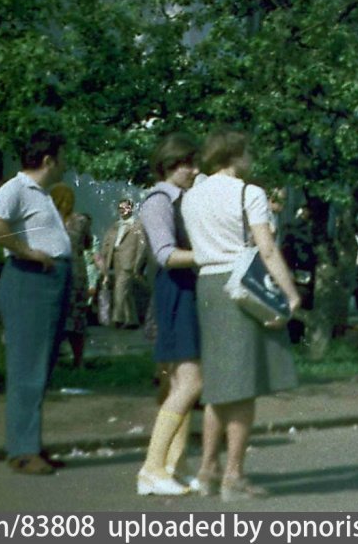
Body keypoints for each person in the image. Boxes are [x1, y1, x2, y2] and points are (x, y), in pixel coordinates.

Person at [181, 129, 302, 501]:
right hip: (241, 284)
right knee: (244, 385)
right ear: (236, 155)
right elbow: (266, 248)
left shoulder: (192, 196)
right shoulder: (249, 193)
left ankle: (206, 471)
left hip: (206, 285)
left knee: (219, 383)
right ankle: (233, 474)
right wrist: (291, 294)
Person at [0, 131, 73, 476]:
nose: (66, 164)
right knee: (27, 368)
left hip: (49, 282)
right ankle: (22, 450)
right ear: (48, 160)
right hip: (29, 282)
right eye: (62, 157)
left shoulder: (43, 194)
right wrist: (26, 251)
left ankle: (30, 443)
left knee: (40, 366)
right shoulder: (16, 187)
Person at [135, 132, 204, 497]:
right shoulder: (158, 201)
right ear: (169, 165)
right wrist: (212, 253)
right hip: (174, 290)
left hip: (186, 290)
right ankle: (152, 468)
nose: (194, 170)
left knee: (183, 385)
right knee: (190, 383)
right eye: (187, 164)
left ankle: (173, 466)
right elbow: (165, 254)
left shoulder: (182, 199)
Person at [48, 184, 93, 370]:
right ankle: (79, 360)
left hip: (54, 271)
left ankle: (53, 359)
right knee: (77, 319)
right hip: (77, 272)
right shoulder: (81, 220)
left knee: (54, 316)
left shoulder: (48, 221)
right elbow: (88, 244)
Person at [104, 197, 153, 329]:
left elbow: (142, 247)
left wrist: (138, 264)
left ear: (131, 208)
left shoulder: (137, 226)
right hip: (115, 259)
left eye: (125, 207)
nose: (122, 210)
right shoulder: (115, 226)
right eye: (120, 208)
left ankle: (117, 318)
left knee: (120, 289)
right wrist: (105, 259)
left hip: (129, 261)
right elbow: (108, 242)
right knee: (127, 291)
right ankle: (132, 319)